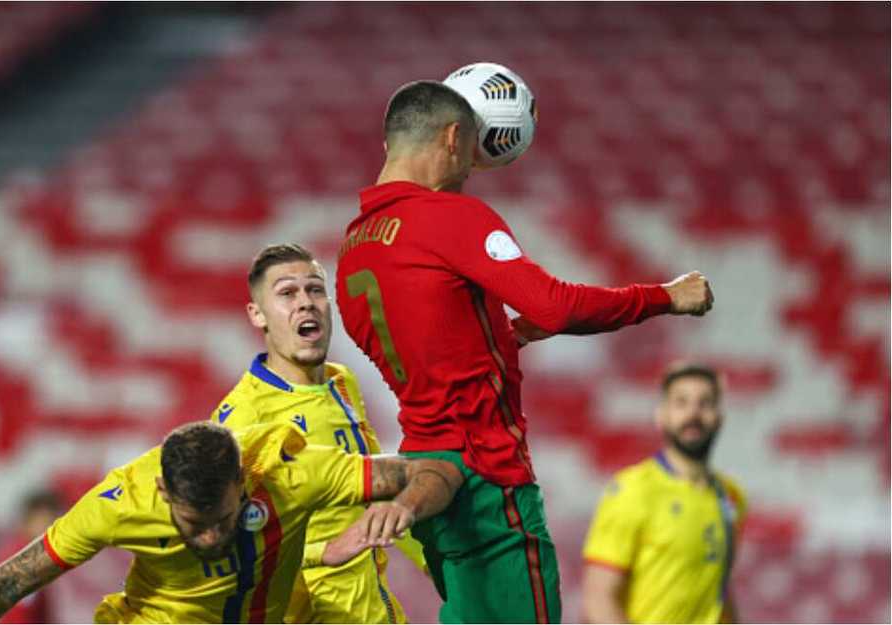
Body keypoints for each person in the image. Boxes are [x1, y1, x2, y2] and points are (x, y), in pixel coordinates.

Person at [334, 80, 715, 624]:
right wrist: (665, 297)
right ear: (452, 137)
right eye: (471, 151)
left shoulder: (353, 248)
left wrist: (505, 336)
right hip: (489, 481)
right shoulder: (451, 217)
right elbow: (557, 305)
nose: (472, 168)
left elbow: (429, 352)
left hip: (428, 467)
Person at [0, 420, 463, 623]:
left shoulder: (291, 475)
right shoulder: (117, 505)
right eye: (194, 523)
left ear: (243, 484)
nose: (210, 537)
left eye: (223, 518)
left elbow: (436, 471)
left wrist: (404, 507)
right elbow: (7, 582)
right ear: (163, 490)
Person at [213, 242, 427, 623]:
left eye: (314, 289)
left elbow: (380, 495)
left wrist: (431, 563)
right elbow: (218, 541)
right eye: (287, 293)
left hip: (372, 607)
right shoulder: (244, 418)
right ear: (258, 315)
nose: (305, 302)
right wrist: (322, 553)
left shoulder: (341, 382)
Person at [582, 362, 746, 624]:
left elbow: (719, 584)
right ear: (661, 416)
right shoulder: (632, 490)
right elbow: (598, 601)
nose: (693, 412)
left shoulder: (732, 497)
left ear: (719, 417)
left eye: (705, 403)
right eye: (681, 402)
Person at [0, 490, 63, 624]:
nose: (47, 529)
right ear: (26, 522)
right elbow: (18, 615)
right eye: (42, 522)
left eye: (51, 523)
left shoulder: (39, 557)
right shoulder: (23, 561)